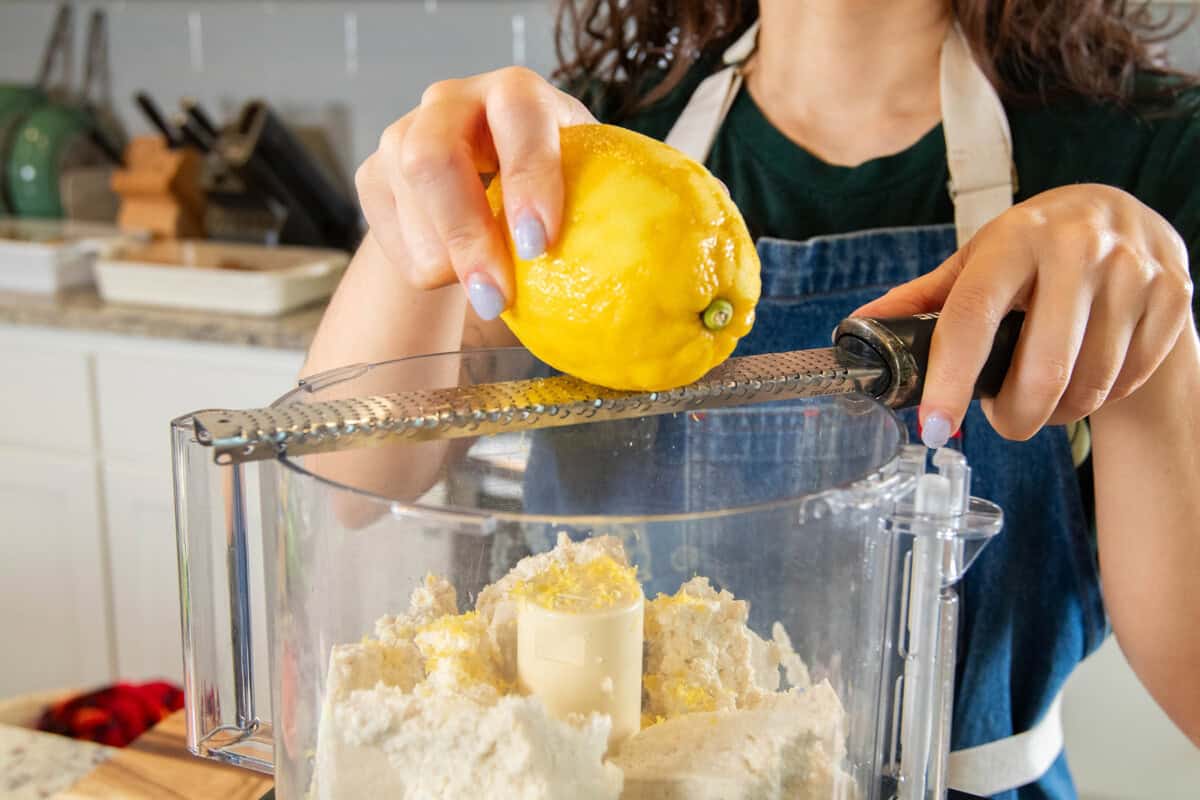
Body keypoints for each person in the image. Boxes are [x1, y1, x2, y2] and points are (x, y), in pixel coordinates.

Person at [305, 1, 1200, 797]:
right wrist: (428, 208)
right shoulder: (575, 151)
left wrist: (1155, 350)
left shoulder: (1145, 158)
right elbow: (355, 463)